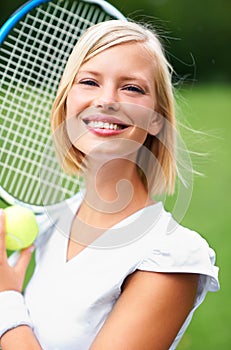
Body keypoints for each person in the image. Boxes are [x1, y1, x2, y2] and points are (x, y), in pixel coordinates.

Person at [0, 20, 219, 349]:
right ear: (66, 103)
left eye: (132, 88)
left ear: (157, 119)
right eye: (89, 81)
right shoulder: (51, 226)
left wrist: (6, 299)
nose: (107, 100)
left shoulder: (171, 256)